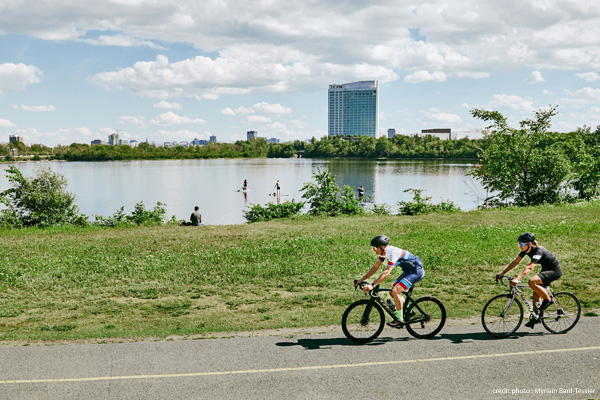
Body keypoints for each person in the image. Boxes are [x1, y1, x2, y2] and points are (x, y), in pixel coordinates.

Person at [354, 235, 425, 328]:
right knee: (393, 292)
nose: (374, 249)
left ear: (382, 247)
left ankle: (400, 320)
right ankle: (408, 311)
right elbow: (375, 267)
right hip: (409, 271)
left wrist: (373, 285)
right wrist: (361, 280)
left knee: (395, 291)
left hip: (416, 271)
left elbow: (387, 272)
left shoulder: (392, 252)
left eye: (375, 247)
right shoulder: (383, 253)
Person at [496, 232, 562, 328]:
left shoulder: (538, 251)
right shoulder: (526, 250)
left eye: (522, 244)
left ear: (529, 244)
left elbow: (530, 267)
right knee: (536, 292)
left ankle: (548, 300)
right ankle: (536, 317)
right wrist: (502, 273)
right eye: (519, 244)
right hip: (546, 269)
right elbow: (515, 262)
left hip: (554, 271)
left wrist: (517, 278)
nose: (520, 246)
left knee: (532, 281)